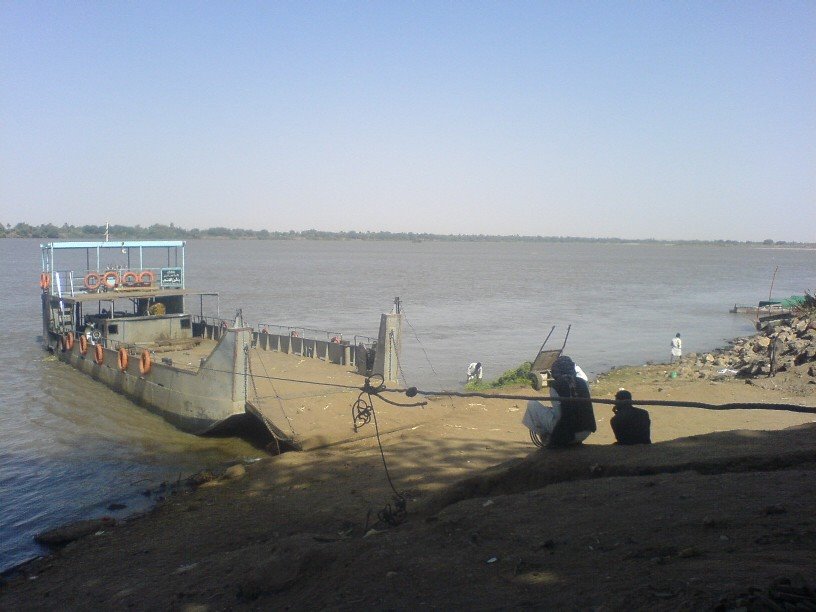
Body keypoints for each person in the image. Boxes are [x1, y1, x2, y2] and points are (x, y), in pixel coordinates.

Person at [522, 355, 596, 448]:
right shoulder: (582, 382)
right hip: (586, 431)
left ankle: (546, 437)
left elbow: (560, 415)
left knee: (532, 404)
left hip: (569, 433)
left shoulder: (556, 386)